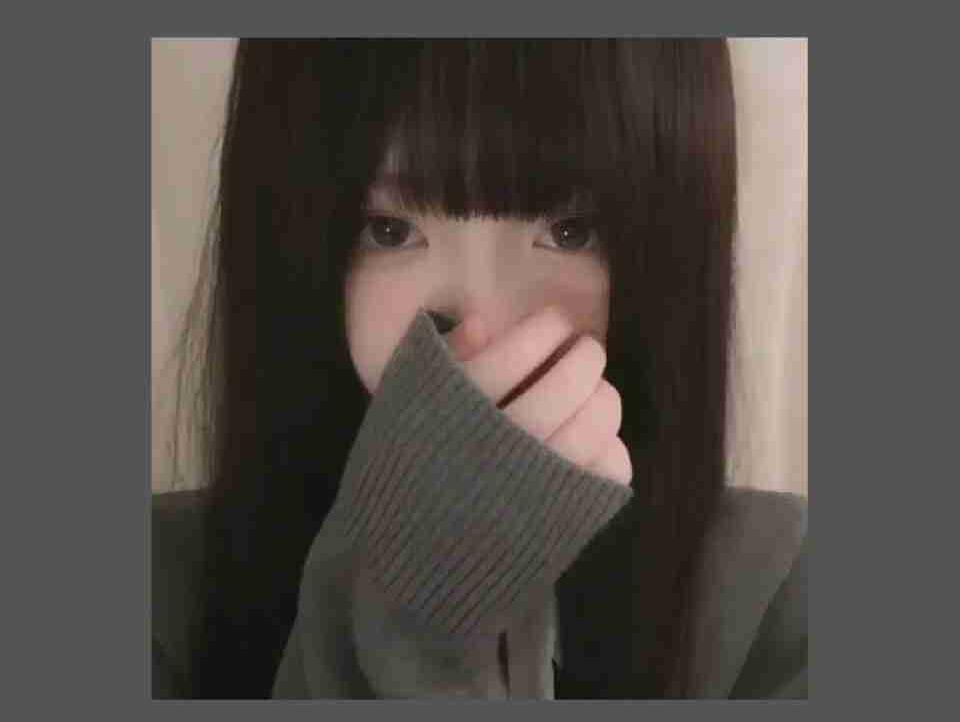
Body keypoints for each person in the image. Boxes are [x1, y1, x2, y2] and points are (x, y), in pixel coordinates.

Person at [152, 39, 807, 700]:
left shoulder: (779, 597)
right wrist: (406, 621)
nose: (483, 321)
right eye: (389, 230)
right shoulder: (158, 596)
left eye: (570, 231)